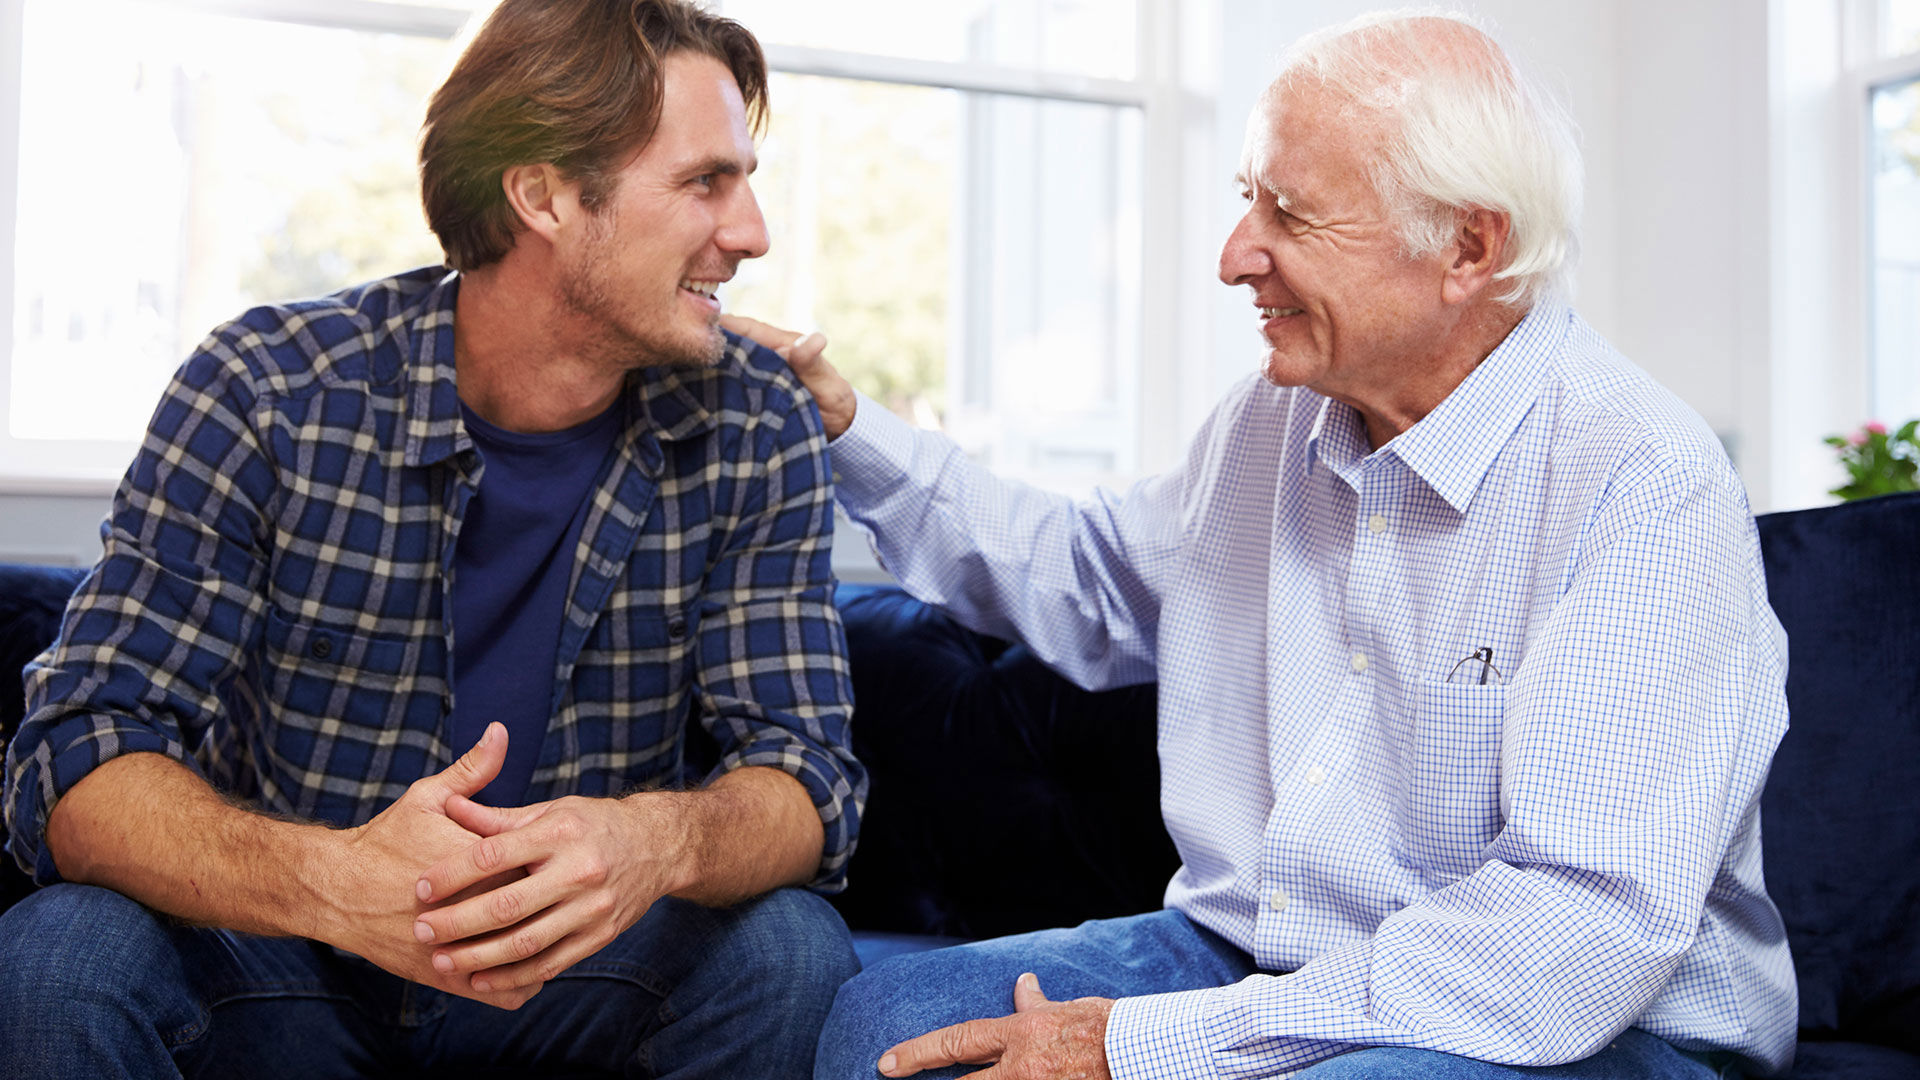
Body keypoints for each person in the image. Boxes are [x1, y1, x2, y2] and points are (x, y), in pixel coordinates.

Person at [730, 10, 1796, 1080]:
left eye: (1289, 213)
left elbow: (1571, 938)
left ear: (1468, 248)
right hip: (1259, 953)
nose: (1239, 256)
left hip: (1589, 1018)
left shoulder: (1646, 486)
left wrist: (1139, 1047)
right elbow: (1081, 573)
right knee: (886, 1032)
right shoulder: (1272, 421)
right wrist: (848, 429)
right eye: (1251, 199)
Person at [0, 1, 864, 1076]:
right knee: (56, 960)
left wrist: (654, 841)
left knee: (789, 954)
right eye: (705, 182)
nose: (752, 232)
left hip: (566, 977)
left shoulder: (755, 425)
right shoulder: (268, 390)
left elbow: (806, 778)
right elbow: (76, 758)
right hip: (289, 963)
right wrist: (336, 881)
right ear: (543, 192)